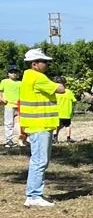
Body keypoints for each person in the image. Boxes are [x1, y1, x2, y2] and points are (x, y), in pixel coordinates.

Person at [17, 47, 66, 207]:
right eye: (44, 61)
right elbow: (60, 89)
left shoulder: (30, 77)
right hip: (40, 125)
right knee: (40, 160)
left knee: (39, 160)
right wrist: (58, 83)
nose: (47, 64)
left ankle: (34, 194)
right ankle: (34, 195)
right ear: (34, 64)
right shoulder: (37, 77)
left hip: (38, 125)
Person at [1, 63, 19, 149]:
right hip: (9, 105)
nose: (14, 74)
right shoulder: (4, 81)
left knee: (19, 124)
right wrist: (2, 99)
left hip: (19, 105)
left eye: (15, 72)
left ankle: (20, 139)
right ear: (8, 73)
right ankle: (9, 140)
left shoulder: (20, 83)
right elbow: (0, 91)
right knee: (9, 123)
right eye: (12, 72)